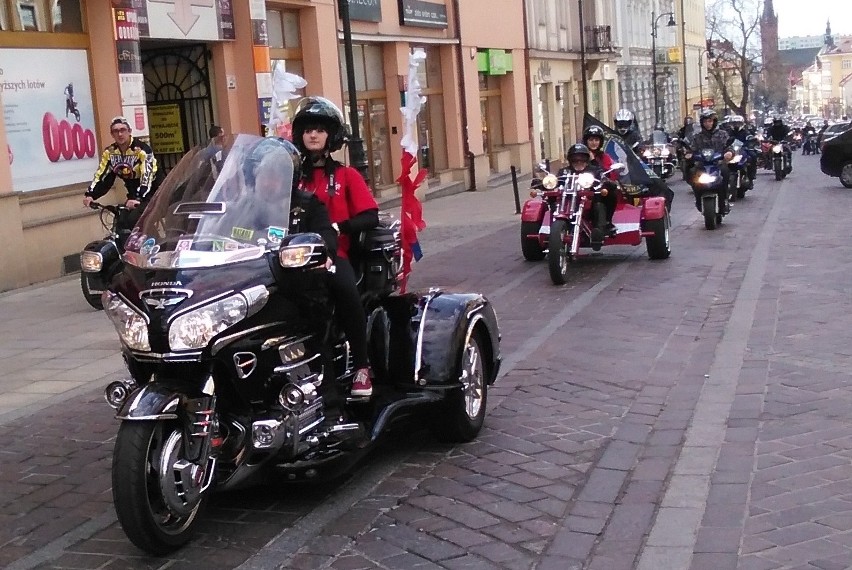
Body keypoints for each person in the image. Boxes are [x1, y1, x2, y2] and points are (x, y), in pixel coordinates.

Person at [291, 96, 379, 398]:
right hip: (291, 259)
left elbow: (371, 215)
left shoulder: (346, 175)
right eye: (307, 130)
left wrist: (340, 227)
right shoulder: (292, 179)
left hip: (334, 255)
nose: (312, 135)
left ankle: (362, 366)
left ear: (331, 135)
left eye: (319, 129)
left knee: (344, 289)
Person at [83, 116, 164, 231]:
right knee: (120, 222)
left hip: (154, 193)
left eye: (123, 130)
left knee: (133, 220)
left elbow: (147, 177)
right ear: (112, 134)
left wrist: (138, 198)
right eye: (116, 131)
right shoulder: (110, 153)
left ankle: (150, 245)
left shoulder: (142, 150)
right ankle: (124, 247)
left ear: (129, 131)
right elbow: (102, 175)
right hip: (132, 193)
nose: (120, 134)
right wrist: (91, 194)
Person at [560, 143, 619, 250]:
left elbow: (604, 177)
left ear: (587, 160)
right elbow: (557, 181)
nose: (579, 162)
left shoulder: (595, 170)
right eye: (575, 159)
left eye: (582, 159)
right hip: (569, 204)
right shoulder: (564, 171)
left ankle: (600, 230)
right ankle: (556, 228)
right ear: (570, 160)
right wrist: (546, 183)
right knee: (553, 200)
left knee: (600, 204)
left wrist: (607, 183)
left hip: (591, 203)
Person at [686, 108, 733, 212]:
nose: (708, 124)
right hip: (702, 165)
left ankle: (724, 200)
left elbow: (729, 146)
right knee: (692, 172)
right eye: (705, 121)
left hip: (718, 164)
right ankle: (698, 199)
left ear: (714, 122)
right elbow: (691, 148)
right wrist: (688, 154)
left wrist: (729, 152)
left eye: (710, 121)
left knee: (725, 172)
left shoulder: (722, 134)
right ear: (702, 123)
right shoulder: (697, 137)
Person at [578, 125, 618, 235]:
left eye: (596, 140)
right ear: (586, 141)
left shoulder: (604, 156)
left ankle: (606, 222)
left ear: (600, 142)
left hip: (597, 187)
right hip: (580, 186)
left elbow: (607, 171)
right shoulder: (579, 155)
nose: (594, 142)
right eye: (591, 140)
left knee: (611, 192)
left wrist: (594, 160)